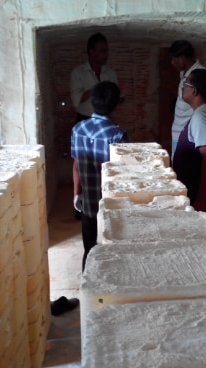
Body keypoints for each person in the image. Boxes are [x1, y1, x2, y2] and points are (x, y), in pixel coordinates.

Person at [71, 81, 129, 271]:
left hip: (88, 203)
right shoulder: (118, 134)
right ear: (115, 105)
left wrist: (76, 193)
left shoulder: (78, 129)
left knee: (89, 249)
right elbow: (122, 174)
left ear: (92, 102)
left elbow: (76, 166)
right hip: (111, 206)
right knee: (112, 248)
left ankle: (87, 285)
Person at [172, 69, 206, 216]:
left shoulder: (202, 117)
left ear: (194, 91)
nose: (182, 87)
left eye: (185, 83)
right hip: (194, 187)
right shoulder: (205, 111)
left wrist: (201, 199)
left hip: (197, 190)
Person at [169, 40, 206, 161]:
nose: (172, 63)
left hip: (189, 135)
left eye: (174, 59)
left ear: (182, 58)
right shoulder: (184, 73)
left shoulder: (199, 74)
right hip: (178, 133)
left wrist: (197, 121)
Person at [70, 33, 119, 123]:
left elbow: (116, 100)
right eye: (102, 51)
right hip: (84, 120)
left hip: (106, 120)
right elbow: (76, 100)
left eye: (107, 51)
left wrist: (119, 94)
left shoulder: (110, 73)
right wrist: (99, 89)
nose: (106, 55)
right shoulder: (78, 73)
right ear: (91, 52)